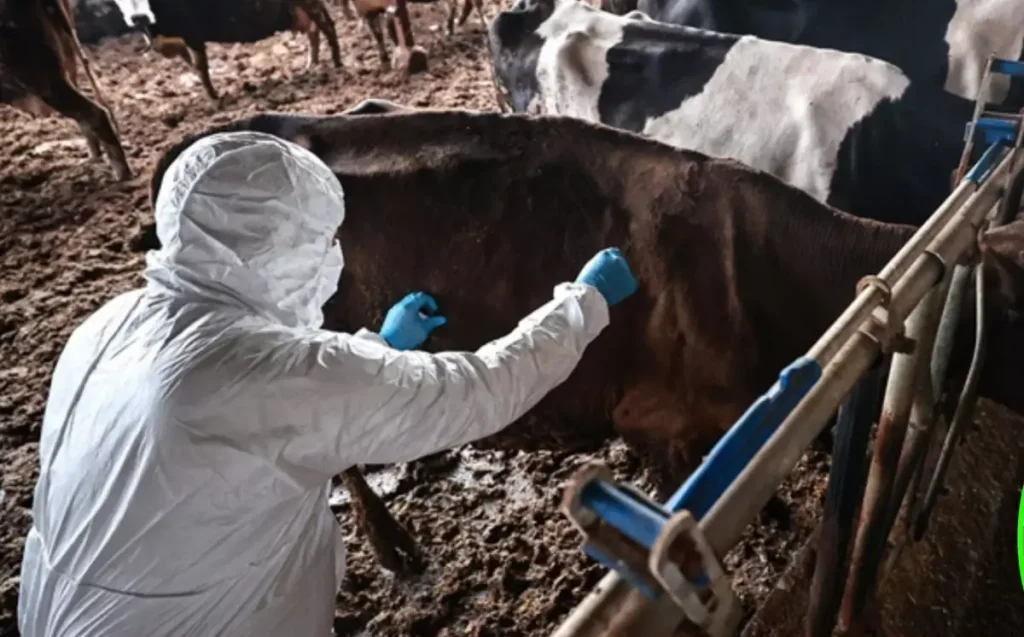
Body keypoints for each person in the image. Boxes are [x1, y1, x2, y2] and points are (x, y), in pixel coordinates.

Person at [17, 131, 638, 636]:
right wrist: (582, 303)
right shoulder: (262, 374)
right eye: (317, 239)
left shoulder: (108, 324)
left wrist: (377, 349)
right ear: (278, 246)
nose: (330, 255)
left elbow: (271, 402)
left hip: (52, 613)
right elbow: (481, 387)